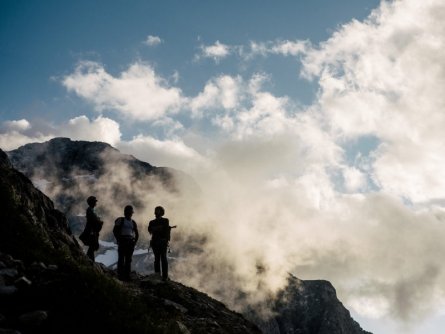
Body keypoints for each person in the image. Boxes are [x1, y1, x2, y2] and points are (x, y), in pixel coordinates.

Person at [113, 205, 139, 281]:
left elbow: (137, 233)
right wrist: (119, 239)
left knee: (127, 259)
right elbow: (115, 230)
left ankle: (125, 276)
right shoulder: (121, 220)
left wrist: (134, 242)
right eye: (129, 212)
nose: (129, 214)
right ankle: (122, 276)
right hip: (124, 241)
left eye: (130, 212)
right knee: (122, 259)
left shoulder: (133, 222)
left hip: (128, 242)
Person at [148, 206, 172, 281]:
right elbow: (150, 230)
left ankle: (164, 276)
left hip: (161, 241)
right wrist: (159, 228)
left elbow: (151, 230)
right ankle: (159, 275)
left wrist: (156, 229)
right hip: (157, 242)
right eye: (156, 211)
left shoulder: (163, 221)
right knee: (158, 259)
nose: (156, 212)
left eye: (158, 211)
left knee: (162, 258)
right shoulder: (154, 222)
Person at [85, 196, 103, 262]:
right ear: (92, 202)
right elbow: (93, 220)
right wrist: (99, 221)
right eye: (95, 201)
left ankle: (89, 259)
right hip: (92, 231)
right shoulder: (90, 210)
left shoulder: (90, 210)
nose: (96, 203)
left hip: (92, 231)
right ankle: (90, 260)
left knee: (92, 246)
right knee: (92, 246)